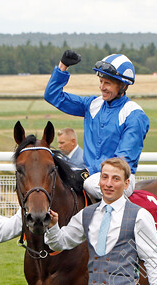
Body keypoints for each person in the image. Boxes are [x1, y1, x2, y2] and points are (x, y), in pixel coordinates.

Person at [44, 50, 150, 200]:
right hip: (91, 175)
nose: (102, 87)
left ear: (123, 86)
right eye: (101, 82)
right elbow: (52, 96)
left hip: (119, 178)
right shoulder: (92, 104)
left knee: (90, 183)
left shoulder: (134, 115)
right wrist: (63, 66)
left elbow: (122, 161)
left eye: (107, 83)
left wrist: (88, 173)